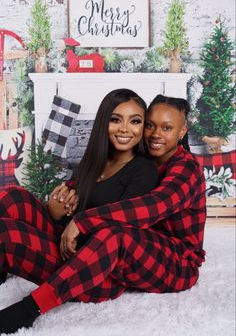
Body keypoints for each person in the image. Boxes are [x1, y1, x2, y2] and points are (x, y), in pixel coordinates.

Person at [0, 94, 206, 334]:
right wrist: (57, 208)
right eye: (150, 125)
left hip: (174, 260)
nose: (155, 134)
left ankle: (28, 310)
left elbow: (155, 205)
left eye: (167, 128)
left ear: (182, 131)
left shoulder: (184, 167)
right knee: (13, 197)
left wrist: (83, 221)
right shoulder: (128, 157)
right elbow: (75, 194)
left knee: (114, 234)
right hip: (105, 251)